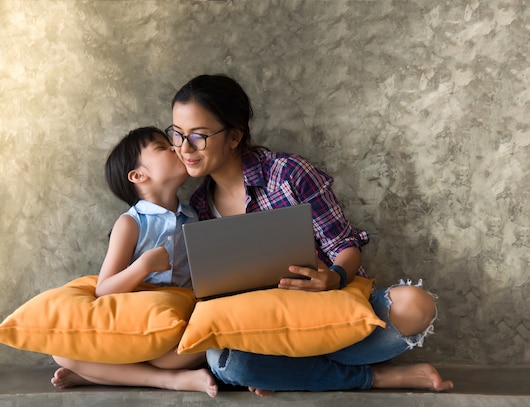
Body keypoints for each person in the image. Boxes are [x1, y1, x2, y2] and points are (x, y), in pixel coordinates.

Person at [166, 74, 454, 397]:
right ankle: (377, 378)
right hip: (269, 334)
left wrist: (334, 276)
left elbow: (345, 247)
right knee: (224, 360)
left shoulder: (288, 175)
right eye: (176, 135)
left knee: (416, 305)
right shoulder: (197, 209)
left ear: (234, 136)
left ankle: (290, 374)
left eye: (198, 136)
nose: (184, 148)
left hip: (335, 321)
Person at [50, 127, 218, 397]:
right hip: (133, 325)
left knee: (177, 355)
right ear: (139, 175)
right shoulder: (130, 223)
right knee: (61, 352)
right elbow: (104, 289)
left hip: (172, 328)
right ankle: (170, 381)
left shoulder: (193, 216)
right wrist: (143, 266)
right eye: (163, 147)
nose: (177, 148)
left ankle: (100, 376)